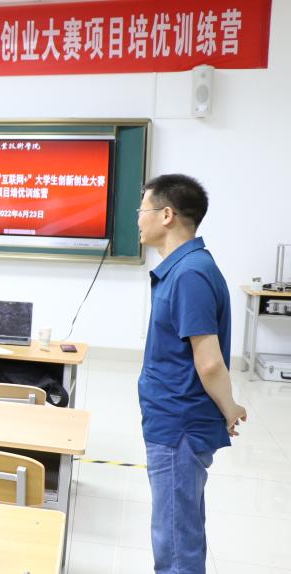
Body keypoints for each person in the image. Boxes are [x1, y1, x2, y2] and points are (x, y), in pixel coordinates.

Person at [136, 174, 246, 574]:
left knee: (176, 542)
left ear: (166, 215)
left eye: (142, 210)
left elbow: (209, 361)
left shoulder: (190, 274)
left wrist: (230, 408)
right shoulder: (184, 268)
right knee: (180, 527)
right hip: (172, 421)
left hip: (178, 426)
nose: (138, 220)